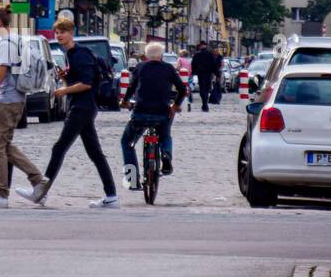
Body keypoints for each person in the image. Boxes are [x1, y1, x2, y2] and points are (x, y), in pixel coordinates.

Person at [16, 18, 119, 208]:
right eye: (57, 32)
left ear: (72, 33)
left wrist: (64, 90)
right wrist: (65, 79)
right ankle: (111, 195)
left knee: (59, 147)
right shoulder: (70, 54)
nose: (59, 35)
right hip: (81, 107)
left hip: (82, 107)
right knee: (95, 153)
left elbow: (87, 83)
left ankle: (41, 191)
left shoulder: (79, 54)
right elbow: (76, 82)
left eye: (63, 32)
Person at [0, 8, 46, 208]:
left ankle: (0, 194)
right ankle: (38, 181)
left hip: (8, 100)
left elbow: (1, 73)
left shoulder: (6, 43)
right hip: (16, 98)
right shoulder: (16, 39)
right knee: (3, 145)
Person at [119, 41, 184, 189]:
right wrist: (175, 105)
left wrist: (125, 101)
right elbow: (182, 89)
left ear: (147, 56)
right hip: (162, 112)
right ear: (161, 56)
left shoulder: (140, 67)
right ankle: (166, 154)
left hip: (141, 111)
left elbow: (131, 87)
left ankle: (132, 180)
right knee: (165, 136)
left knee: (127, 142)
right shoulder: (168, 68)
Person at [190, 42, 215, 112]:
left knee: (202, 89)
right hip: (208, 74)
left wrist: (193, 72)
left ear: (200, 47)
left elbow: (193, 64)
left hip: (201, 74)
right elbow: (214, 65)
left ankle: (204, 103)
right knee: (206, 89)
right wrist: (216, 74)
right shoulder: (210, 55)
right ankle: (205, 103)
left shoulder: (197, 55)